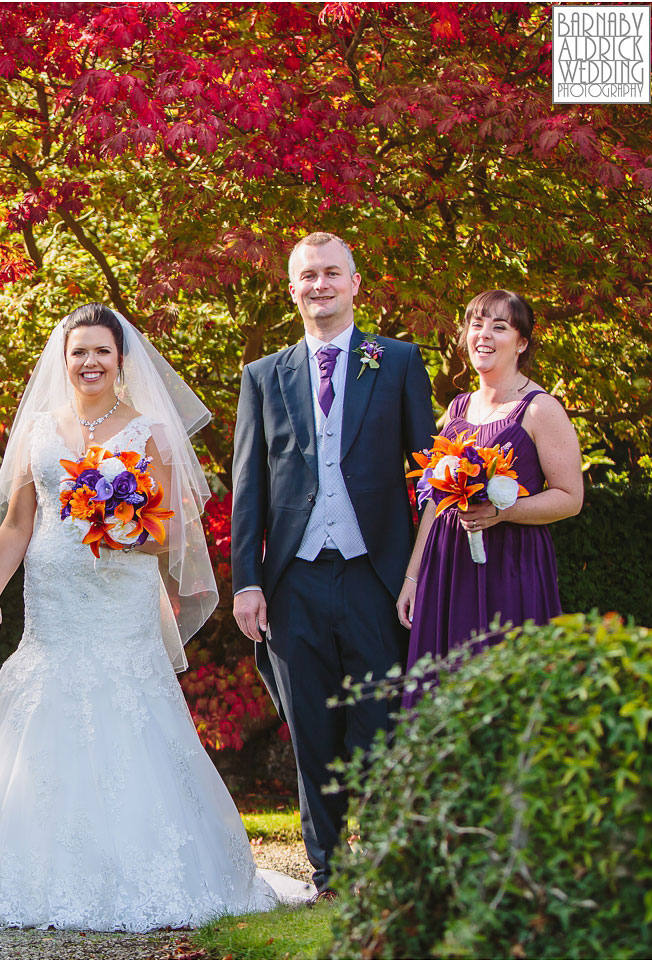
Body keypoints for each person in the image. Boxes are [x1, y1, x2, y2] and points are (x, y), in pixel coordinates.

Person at [0, 304, 307, 931]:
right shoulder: (38, 432)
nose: (89, 363)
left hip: (121, 599)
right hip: (55, 601)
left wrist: (124, 530)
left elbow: (173, 538)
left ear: (121, 360)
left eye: (101, 352)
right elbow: (19, 526)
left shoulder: (149, 433)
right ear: (64, 361)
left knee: (129, 710)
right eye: (78, 352)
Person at [230, 232, 436, 896]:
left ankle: (381, 862)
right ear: (292, 289)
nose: (319, 285)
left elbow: (429, 474)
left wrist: (417, 575)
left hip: (376, 576)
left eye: (330, 273)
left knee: (378, 721)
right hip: (294, 581)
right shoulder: (264, 375)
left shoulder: (398, 362)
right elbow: (248, 488)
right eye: (307, 276)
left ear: (354, 284)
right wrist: (248, 582)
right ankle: (329, 871)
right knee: (313, 729)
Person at [397, 291, 582, 704]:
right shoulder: (458, 407)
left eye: (499, 326)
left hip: (510, 568)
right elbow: (434, 501)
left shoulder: (539, 409)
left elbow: (571, 497)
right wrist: (414, 578)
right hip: (447, 570)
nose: (483, 334)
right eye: (476, 324)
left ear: (522, 342)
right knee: (445, 693)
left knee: (503, 693)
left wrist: (505, 511)